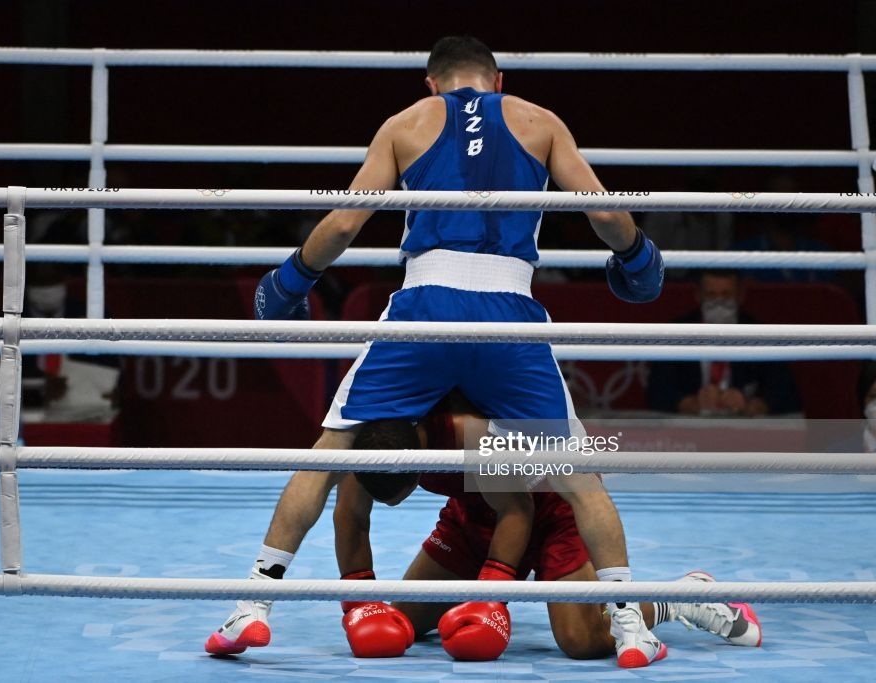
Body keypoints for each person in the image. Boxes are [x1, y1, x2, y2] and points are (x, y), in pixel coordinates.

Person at [208, 35, 666, 667]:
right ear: (497, 80)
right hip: (509, 313)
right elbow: (607, 216)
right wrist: (637, 256)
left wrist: (290, 282)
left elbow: (344, 223)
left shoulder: (406, 123)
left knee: (329, 453)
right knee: (576, 472)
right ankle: (630, 626)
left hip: (424, 307)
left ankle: (252, 605)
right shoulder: (540, 122)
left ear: (431, 84)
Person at [333, 416, 762, 662]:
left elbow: (518, 511)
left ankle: (680, 598)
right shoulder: (370, 436)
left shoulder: (469, 430)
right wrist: (358, 606)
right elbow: (350, 516)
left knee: (581, 640)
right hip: (476, 514)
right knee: (399, 622)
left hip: (547, 504)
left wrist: (490, 598)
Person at [646, 270, 801, 415]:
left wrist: (751, 405)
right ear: (698, 295)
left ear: (740, 295)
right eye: (711, 295)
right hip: (688, 432)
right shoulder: (676, 334)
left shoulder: (761, 336)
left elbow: (785, 392)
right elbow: (657, 391)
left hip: (744, 431)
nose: (719, 303)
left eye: (726, 295)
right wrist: (691, 403)